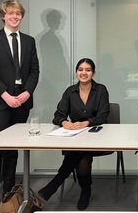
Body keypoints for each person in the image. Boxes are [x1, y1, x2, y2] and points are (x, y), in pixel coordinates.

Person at [0, 0, 40, 213]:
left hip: (22, 102)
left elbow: (34, 71)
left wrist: (26, 93)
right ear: (3, 16)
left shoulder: (29, 41)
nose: (15, 17)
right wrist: (5, 95)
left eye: (19, 14)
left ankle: (9, 193)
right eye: (11, 13)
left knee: (13, 151)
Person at [38, 58, 110, 210]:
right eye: (80, 69)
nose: (84, 73)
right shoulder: (70, 91)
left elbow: (103, 116)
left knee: (80, 152)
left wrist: (85, 123)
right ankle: (86, 189)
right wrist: (64, 122)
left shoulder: (101, 90)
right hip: (75, 138)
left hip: (97, 137)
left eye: (88, 70)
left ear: (93, 73)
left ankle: (54, 184)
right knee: (81, 155)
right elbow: (58, 114)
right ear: (76, 72)